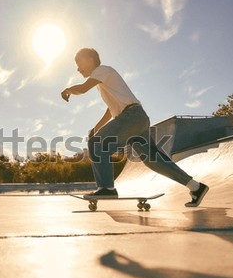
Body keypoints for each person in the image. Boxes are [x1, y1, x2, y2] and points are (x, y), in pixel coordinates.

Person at [61, 48, 209, 207]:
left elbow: (83, 89)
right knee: (153, 159)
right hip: (137, 119)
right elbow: (111, 110)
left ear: (90, 59)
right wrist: (96, 127)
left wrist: (68, 90)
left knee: (97, 143)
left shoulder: (102, 70)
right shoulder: (103, 80)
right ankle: (195, 187)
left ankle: (106, 188)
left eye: (78, 63)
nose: (77, 69)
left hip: (131, 117)